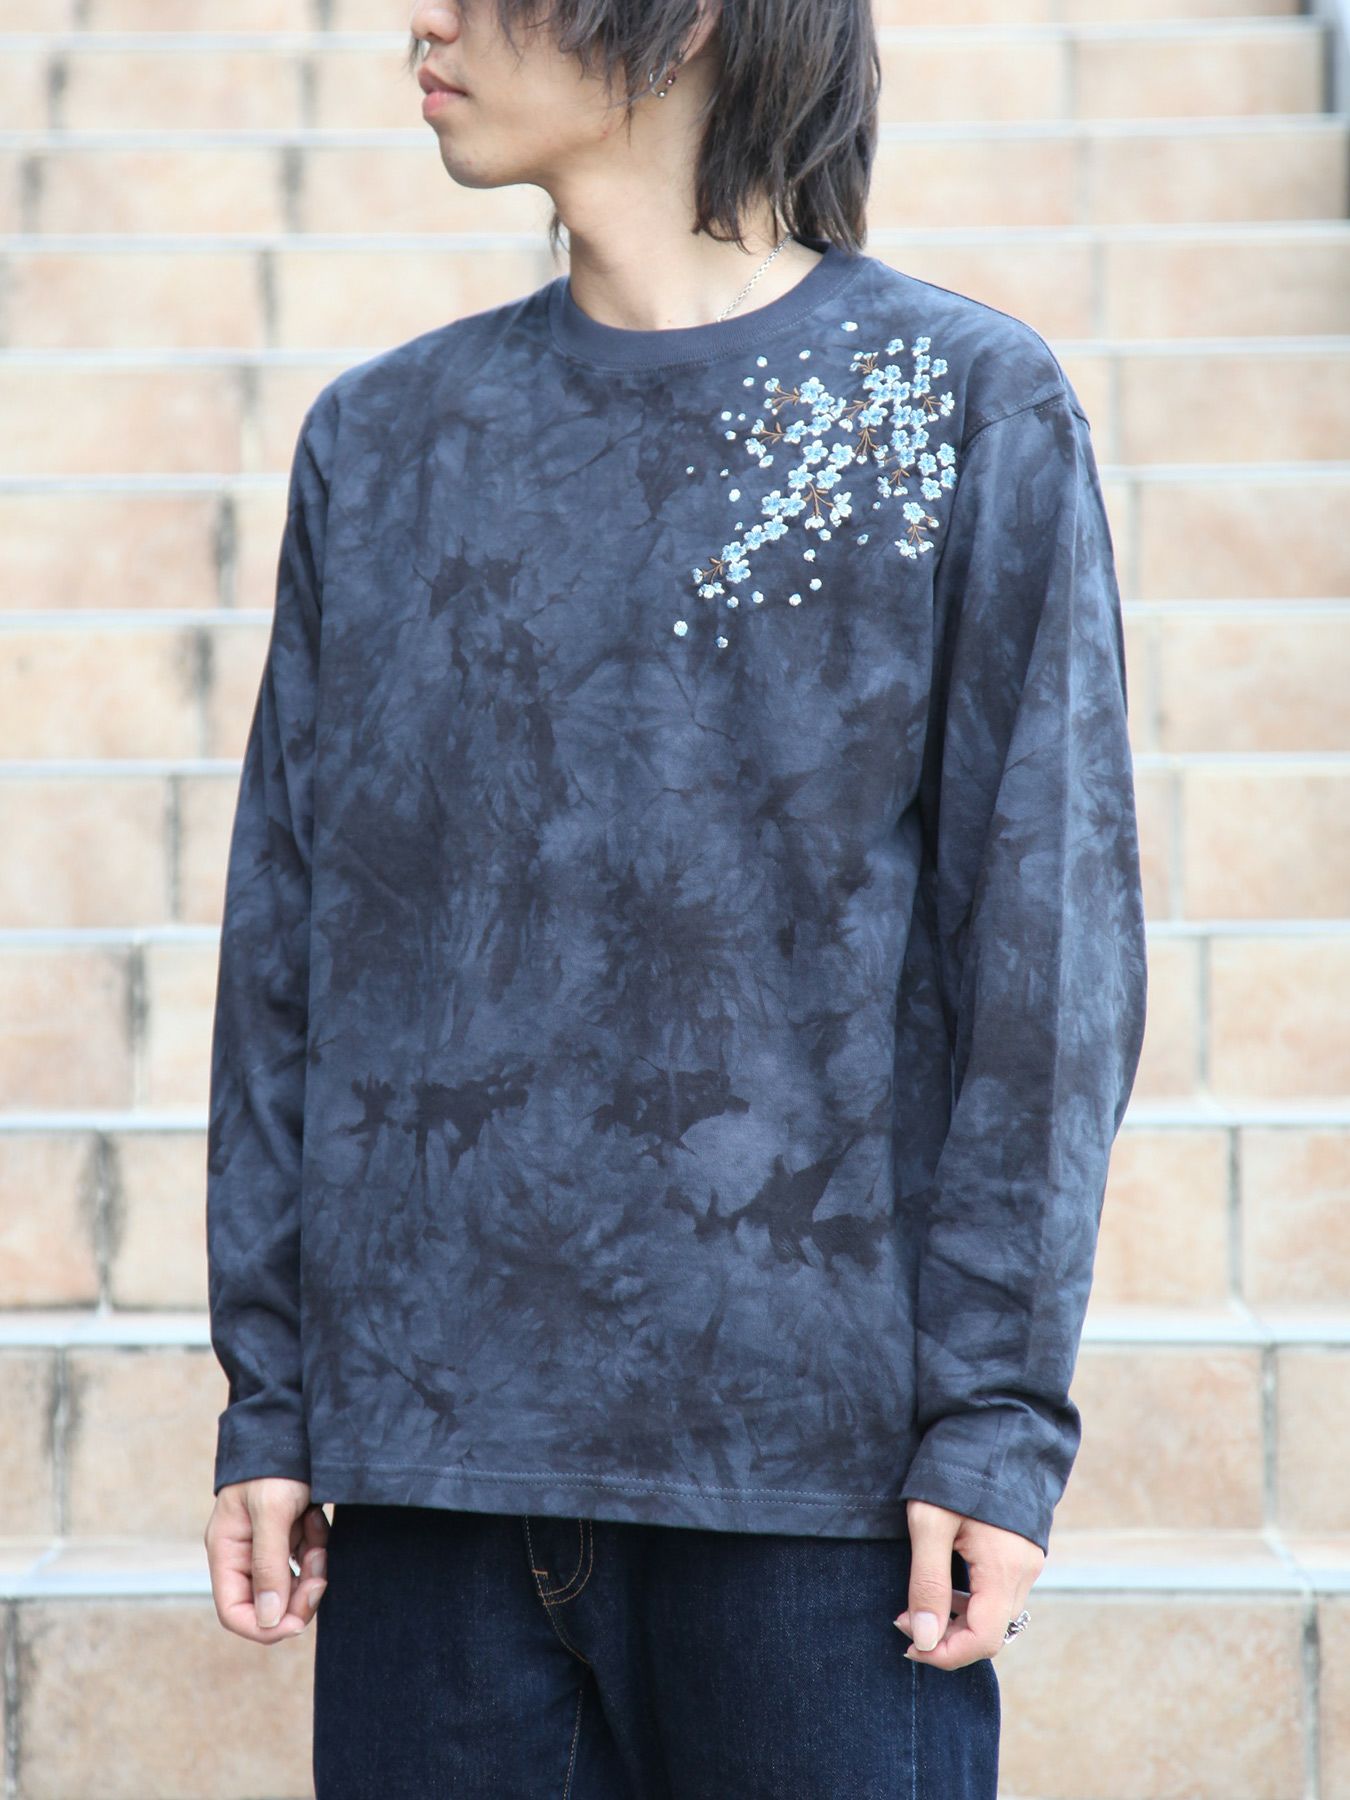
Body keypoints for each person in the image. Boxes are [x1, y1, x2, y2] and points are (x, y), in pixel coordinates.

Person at [200, 0, 1149, 1793]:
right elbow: (287, 945)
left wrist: (994, 1425)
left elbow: (1045, 958)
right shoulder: (382, 439)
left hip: (814, 1491)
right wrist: (273, 1394)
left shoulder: (954, 403)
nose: (423, 21)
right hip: (428, 1474)